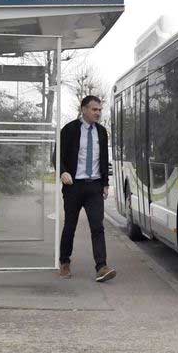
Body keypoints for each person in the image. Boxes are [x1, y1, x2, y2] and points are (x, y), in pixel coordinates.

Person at [58, 95, 116, 282]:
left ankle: (101, 267)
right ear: (84, 109)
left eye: (99, 110)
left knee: (97, 227)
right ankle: (64, 262)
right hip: (74, 186)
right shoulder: (69, 129)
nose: (98, 113)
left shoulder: (101, 131)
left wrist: (105, 183)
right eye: (94, 109)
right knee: (70, 226)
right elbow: (57, 155)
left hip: (94, 187)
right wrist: (63, 172)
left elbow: (104, 158)